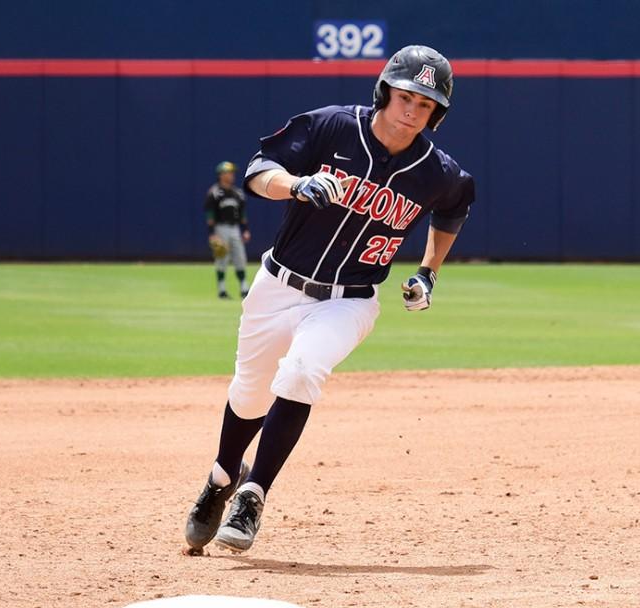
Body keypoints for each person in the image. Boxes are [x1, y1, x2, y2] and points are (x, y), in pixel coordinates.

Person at [184, 45, 474, 554]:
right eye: (405, 96)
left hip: (351, 301)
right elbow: (259, 169)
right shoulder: (332, 127)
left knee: (301, 370)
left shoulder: (436, 171)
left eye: (425, 104)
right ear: (386, 91)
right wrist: (295, 184)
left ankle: (252, 495)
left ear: (436, 114)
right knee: (250, 393)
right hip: (277, 286)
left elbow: (455, 206)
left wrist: (428, 273)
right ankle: (222, 476)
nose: (412, 110)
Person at [205, 161, 251, 299]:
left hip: (235, 228)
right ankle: (222, 290)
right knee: (222, 258)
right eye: (229, 172)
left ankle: (244, 288)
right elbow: (210, 215)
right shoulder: (214, 193)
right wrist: (212, 234)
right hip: (221, 228)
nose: (232, 175)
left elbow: (242, 214)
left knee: (240, 257)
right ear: (221, 174)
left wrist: (246, 230)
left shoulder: (238, 193)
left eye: (232, 173)